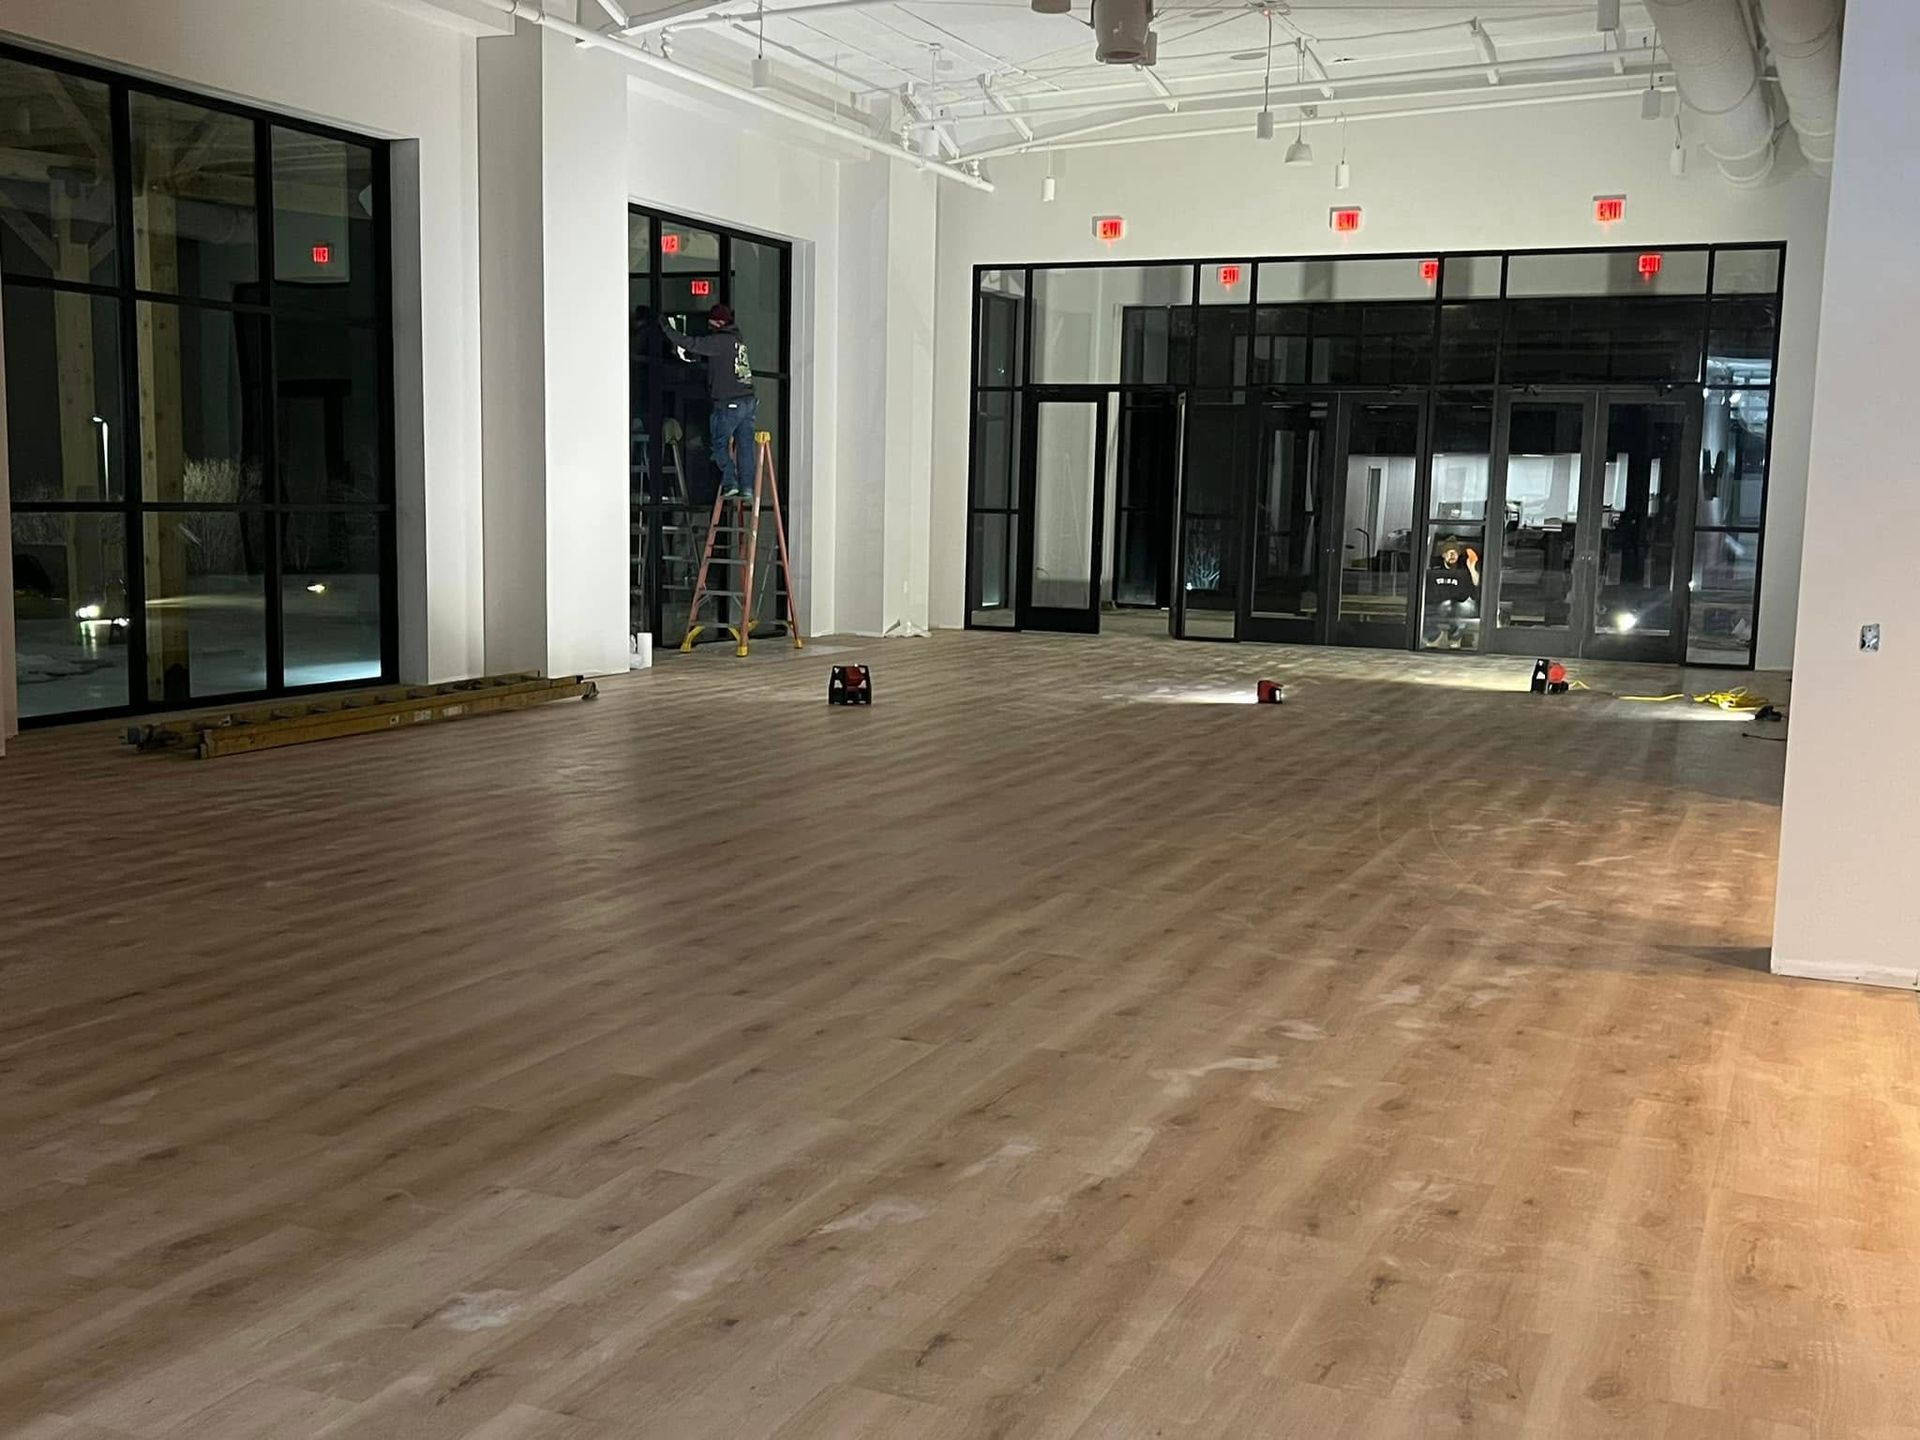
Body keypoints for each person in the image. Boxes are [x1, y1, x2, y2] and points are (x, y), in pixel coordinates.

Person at [661, 303, 758, 500]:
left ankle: (730, 482)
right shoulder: (737, 340)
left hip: (729, 403)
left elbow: (692, 343)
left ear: (719, 322)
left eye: (711, 323)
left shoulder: (719, 341)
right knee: (746, 448)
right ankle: (747, 487)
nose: (709, 327)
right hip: (748, 401)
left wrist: (667, 329)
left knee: (719, 445)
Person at [1425, 536, 1481, 649]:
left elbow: (1477, 584)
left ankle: (1455, 638)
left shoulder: (1464, 568)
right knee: (1427, 609)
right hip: (1441, 605)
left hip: (1460, 603)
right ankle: (1434, 637)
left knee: (1464, 607)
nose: (1452, 555)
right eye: (1448, 552)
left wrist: (1472, 568)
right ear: (1443, 555)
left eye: (1454, 553)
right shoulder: (1436, 569)